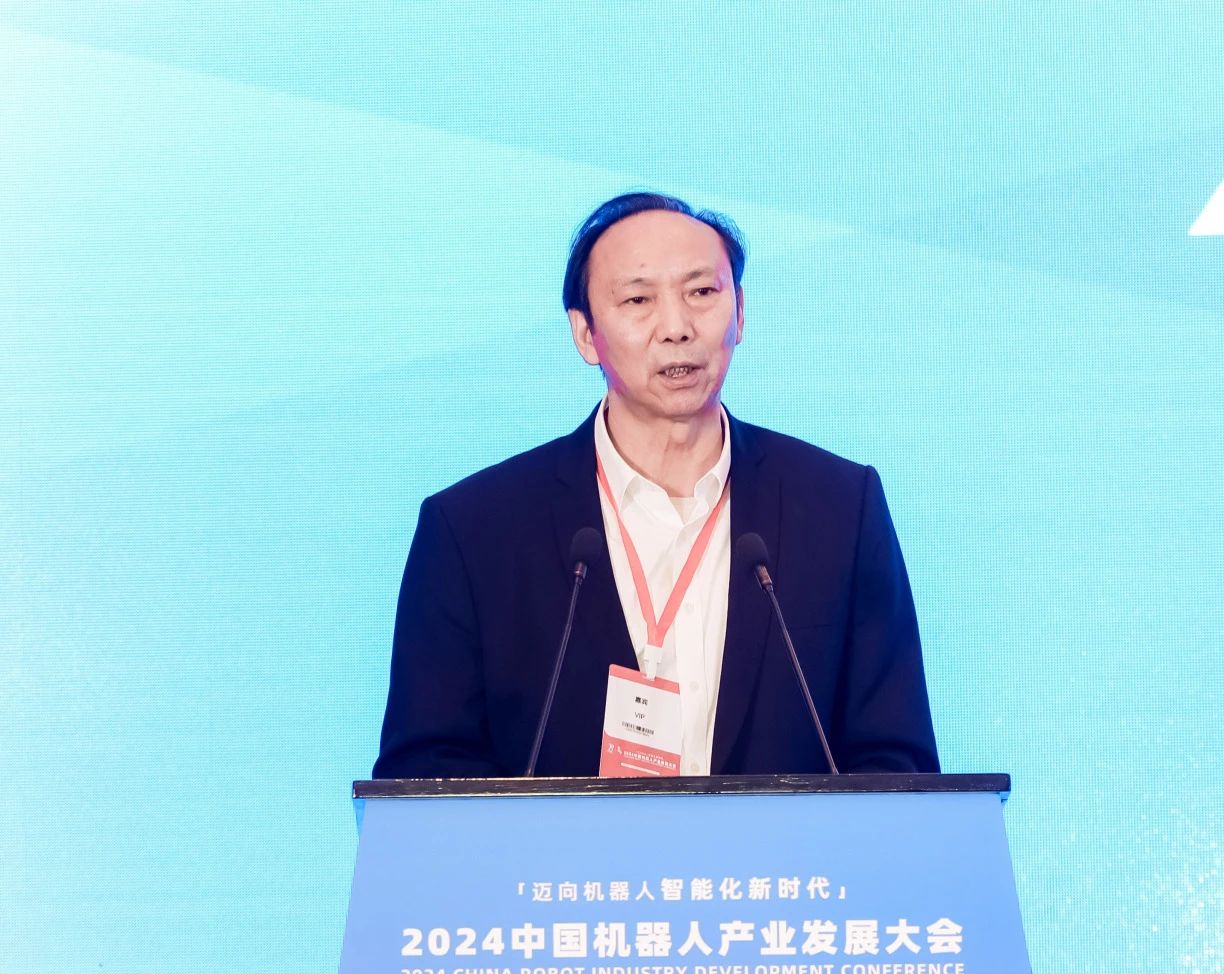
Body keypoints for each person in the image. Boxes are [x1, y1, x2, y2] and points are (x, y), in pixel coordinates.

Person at [373, 192, 939, 778]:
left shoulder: (838, 508)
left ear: (740, 312)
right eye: (638, 300)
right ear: (585, 334)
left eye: (702, 292)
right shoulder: (474, 530)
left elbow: (897, 761)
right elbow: (424, 775)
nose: (677, 328)